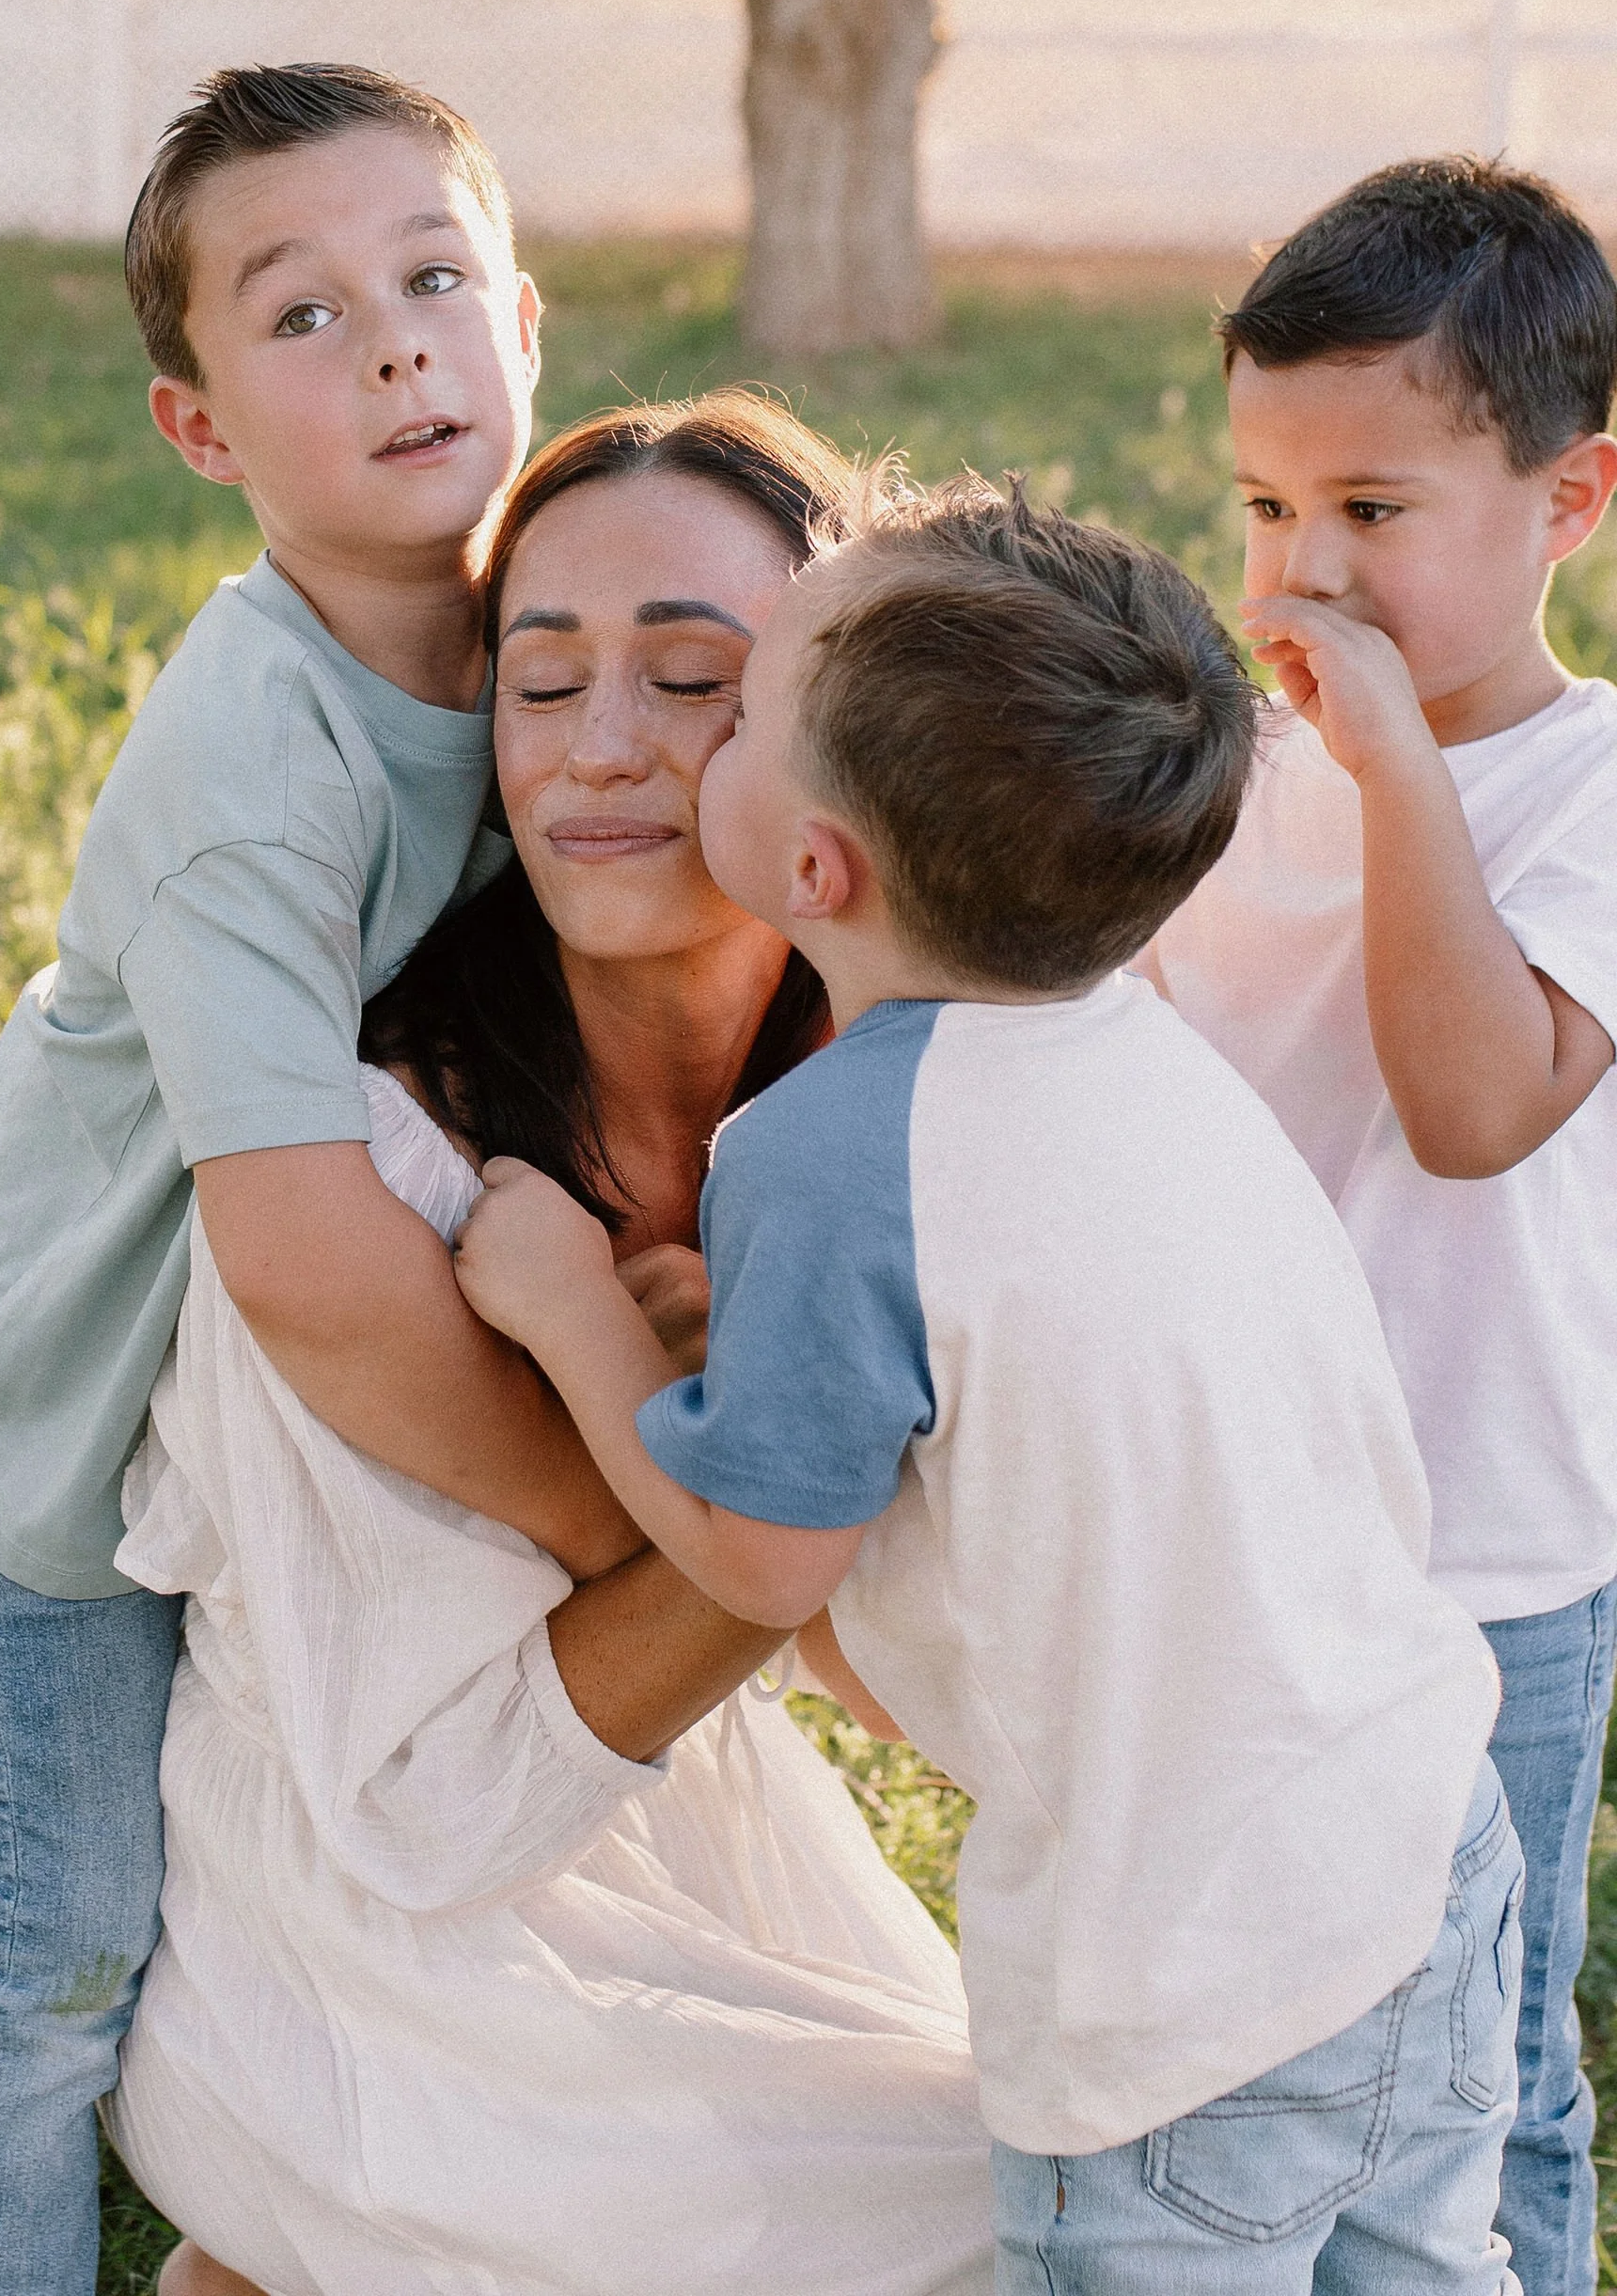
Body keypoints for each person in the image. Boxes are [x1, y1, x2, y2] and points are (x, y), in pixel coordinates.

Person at [460, 479, 1519, 2294]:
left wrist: (574, 1317)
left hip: (1184, 1989)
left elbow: (765, 1563)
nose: (702, 738)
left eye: (747, 700)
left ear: (815, 874)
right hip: (1424, 1849)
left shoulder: (822, 1152)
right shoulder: (1137, 1045)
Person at [104, 396, 996, 2296]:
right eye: (540, 680)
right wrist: (759, 1466)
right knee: (1009, 2230)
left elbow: (988, 1686)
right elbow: (443, 1806)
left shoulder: (889, 1097)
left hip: (675, 1843)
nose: (600, 751)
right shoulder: (379, 1167)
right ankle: (302, 2224)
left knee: (1100, 2165)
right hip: (360, 1929)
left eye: (693, 679)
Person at [0, 63, 637, 2296]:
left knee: (304, 1867)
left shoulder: (572, 647)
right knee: (63, 1935)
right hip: (84, 1396)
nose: (396, 340)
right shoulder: (255, 771)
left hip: (301, 1405)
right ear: (198, 428)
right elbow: (304, 1270)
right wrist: (597, 1511)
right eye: (298, 315)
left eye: (428, 279)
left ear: (521, 318)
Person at [1140, 158, 1617, 2296]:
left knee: (1480, 2069)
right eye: (1264, 510)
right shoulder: (1237, 773)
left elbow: (1471, 1104)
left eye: (1372, 512)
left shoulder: (1587, 787)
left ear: (1570, 501)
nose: (1302, 571)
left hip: (1486, 1559)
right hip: (1244, 1537)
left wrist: (1398, 771)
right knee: (1252, 2037)